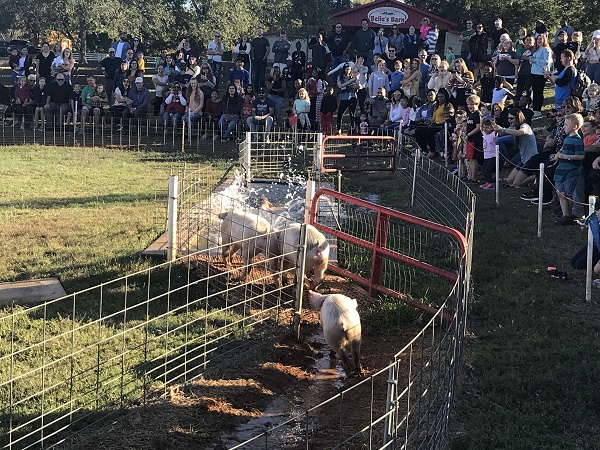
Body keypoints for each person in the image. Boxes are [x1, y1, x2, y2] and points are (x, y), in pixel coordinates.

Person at [552, 113, 585, 225]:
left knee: (568, 194)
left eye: (566, 125)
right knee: (560, 193)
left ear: (575, 126)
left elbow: (581, 156)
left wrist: (567, 157)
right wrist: (558, 155)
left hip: (570, 171)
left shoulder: (577, 140)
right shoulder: (567, 139)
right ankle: (564, 214)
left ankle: (569, 215)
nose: (564, 127)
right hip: (561, 169)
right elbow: (562, 151)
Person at [492, 108, 539, 186]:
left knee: (516, 184)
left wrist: (503, 129)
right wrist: (495, 128)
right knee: (509, 180)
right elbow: (502, 133)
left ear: (518, 118)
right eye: (508, 118)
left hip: (532, 158)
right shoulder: (514, 127)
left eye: (511, 118)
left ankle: (538, 176)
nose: (509, 120)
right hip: (524, 158)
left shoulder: (525, 126)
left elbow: (520, 132)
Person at [529, 34, 552, 117]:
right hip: (533, 72)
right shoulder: (536, 49)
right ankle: (534, 108)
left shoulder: (546, 49)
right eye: (537, 39)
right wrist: (531, 60)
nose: (539, 41)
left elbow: (546, 61)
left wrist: (534, 60)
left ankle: (538, 109)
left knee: (538, 91)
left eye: (540, 39)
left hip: (540, 73)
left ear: (544, 40)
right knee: (534, 91)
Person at [465, 94, 483, 183]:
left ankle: (473, 178)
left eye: (472, 104)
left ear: (477, 104)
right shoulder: (470, 114)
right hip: (470, 139)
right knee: (470, 159)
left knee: (474, 158)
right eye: (468, 104)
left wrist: (468, 134)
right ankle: (470, 177)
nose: (469, 106)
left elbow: (478, 127)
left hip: (475, 139)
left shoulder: (477, 114)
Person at [336, 63, 358, 133]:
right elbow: (340, 86)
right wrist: (349, 82)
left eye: (349, 69)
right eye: (346, 69)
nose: (347, 71)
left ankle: (352, 129)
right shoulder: (340, 77)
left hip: (353, 97)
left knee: (352, 113)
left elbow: (358, 86)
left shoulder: (353, 76)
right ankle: (338, 128)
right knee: (340, 113)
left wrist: (356, 83)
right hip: (344, 97)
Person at [479, 118, 497, 189]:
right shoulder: (484, 133)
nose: (485, 129)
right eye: (484, 127)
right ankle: (488, 181)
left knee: (487, 170)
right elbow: (480, 127)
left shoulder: (493, 134)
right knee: (484, 170)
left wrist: (494, 124)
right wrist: (481, 119)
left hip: (492, 155)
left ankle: (491, 183)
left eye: (487, 127)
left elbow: (496, 130)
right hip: (486, 155)